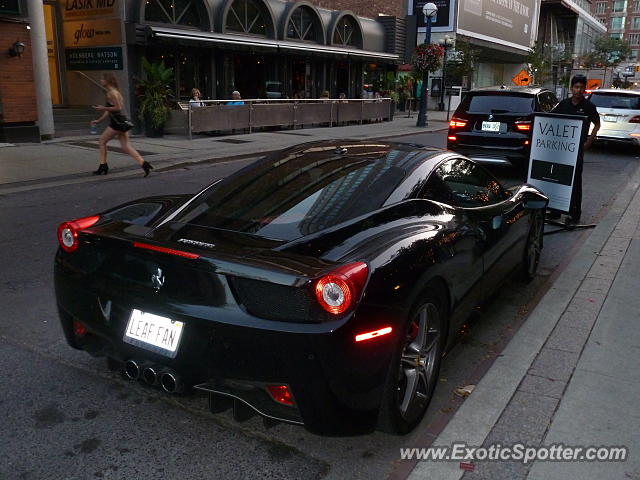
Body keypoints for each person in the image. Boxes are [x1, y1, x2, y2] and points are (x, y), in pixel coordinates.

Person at [550, 74, 600, 224]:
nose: (578, 90)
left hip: (577, 150)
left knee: (575, 181)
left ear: (585, 89)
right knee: (558, 178)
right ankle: (555, 211)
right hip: (561, 150)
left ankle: (574, 213)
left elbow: (597, 124)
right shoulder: (563, 104)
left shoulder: (589, 106)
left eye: (581, 87)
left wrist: (589, 141)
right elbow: (551, 120)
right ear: (571, 88)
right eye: (576, 87)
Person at [91, 73, 152, 177]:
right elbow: (110, 110)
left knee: (102, 141)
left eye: (102, 79)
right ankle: (144, 164)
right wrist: (99, 120)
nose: (101, 81)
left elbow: (117, 108)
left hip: (116, 124)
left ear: (107, 81)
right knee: (125, 146)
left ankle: (103, 166)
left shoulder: (111, 93)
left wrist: (103, 108)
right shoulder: (115, 92)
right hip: (121, 123)